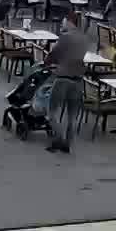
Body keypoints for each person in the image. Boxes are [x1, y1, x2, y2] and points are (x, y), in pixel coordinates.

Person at [47, 10, 92, 153]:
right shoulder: (85, 39)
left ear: (69, 22)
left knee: (52, 111)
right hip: (78, 79)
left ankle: (58, 138)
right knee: (72, 115)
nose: (62, 23)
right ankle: (68, 143)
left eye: (64, 21)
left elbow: (54, 55)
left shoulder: (65, 37)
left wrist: (48, 61)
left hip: (63, 78)